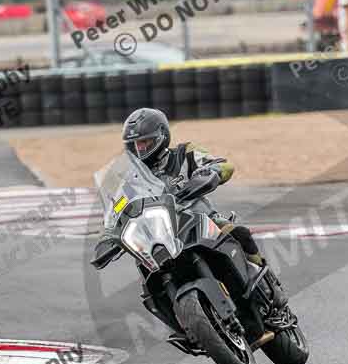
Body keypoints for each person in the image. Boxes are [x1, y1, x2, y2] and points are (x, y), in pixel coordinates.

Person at [92, 108, 285, 309]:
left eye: (145, 142)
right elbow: (116, 211)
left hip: (202, 221)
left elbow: (223, 165)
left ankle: (270, 285)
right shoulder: (129, 183)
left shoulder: (185, 154)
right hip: (159, 239)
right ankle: (185, 327)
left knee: (238, 233)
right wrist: (106, 238)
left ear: (161, 136)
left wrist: (210, 173)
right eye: (135, 144)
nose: (140, 149)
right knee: (148, 285)